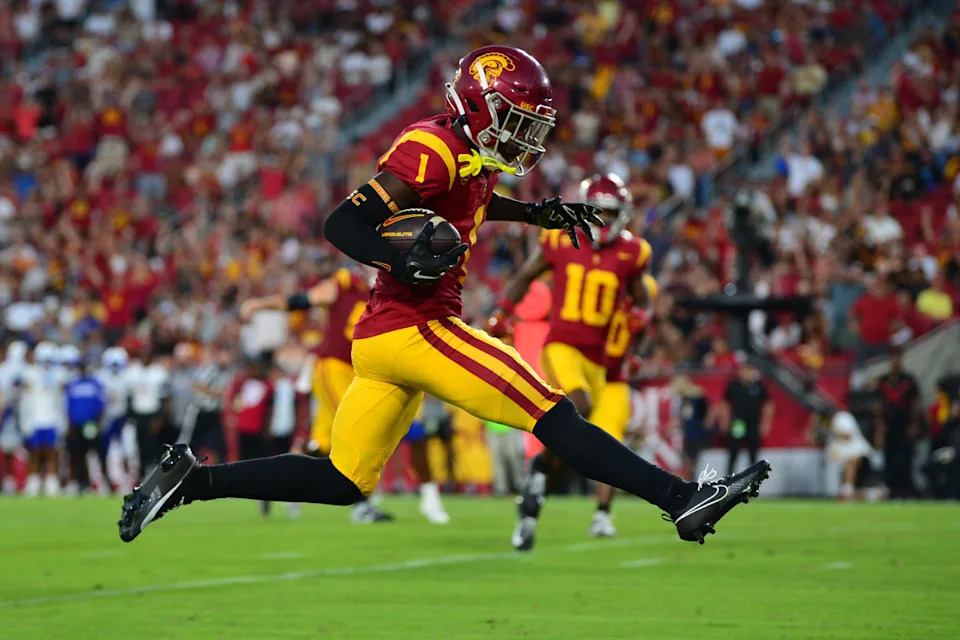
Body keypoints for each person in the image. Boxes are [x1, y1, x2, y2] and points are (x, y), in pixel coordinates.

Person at [118, 45, 770, 547]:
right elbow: (342, 223)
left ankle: (192, 481)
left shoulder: (466, 153)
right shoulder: (430, 148)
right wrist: (397, 256)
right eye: (515, 120)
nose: (523, 137)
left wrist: (532, 215)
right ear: (480, 106)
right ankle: (682, 497)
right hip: (420, 327)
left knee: (345, 480)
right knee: (553, 413)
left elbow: (471, 194)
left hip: (383, 339)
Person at [493, 173, 654, 550]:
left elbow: (642, 304)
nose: (604, 221)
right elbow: (525, 275)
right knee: (576, 407)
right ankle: (546, 481)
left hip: (603, 364)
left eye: (611, 214)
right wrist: (502, 312)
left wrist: (638, 344)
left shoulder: (633, 254)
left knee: (597, 444)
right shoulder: (559, 238)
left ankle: (539, 482)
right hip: (563, 346)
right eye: (597, 213)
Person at [240, 266, 394, 523]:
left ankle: (268, 482)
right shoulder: (345, 283)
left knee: (321, 446)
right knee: (360, 430)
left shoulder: (387, 290)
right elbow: (301, 300)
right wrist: (261, 305)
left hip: (357, 371)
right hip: (333, 366)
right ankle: (362, 507)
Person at [21, 342, 68, 497]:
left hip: (52, 419)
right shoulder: (30, 373)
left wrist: (62, 421)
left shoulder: (59, 374)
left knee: (52, 453)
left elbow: (61, 401)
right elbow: (26, 400)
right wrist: (25, 421)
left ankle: (51, 483)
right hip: (35, 419)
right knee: (34, 453)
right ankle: (33, 483)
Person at [874, 345, 920, 498]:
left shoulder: (908, 380)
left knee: (905, 458)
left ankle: (905, 489)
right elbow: (879, 407)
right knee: (889, 458)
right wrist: (880, 429)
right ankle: (890, 489)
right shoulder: (883, 381)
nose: (895, 361)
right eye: (892, 357)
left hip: (904, 424)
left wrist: (914, 424)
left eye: (897, 357)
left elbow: (914, 404)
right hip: (889, 426)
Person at [63, 347, 108, 495]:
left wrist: (98, 422)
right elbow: (68, 406)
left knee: (97, 453)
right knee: (78, 455)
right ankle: (83, 483)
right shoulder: (73, 384)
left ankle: (102, 482)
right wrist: (69, 424)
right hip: (76, 424)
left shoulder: (95, 383)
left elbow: (101, 405)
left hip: (91, 424)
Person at [720, 362, 774, 476]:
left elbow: (769, 404)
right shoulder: (734, 385)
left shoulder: (759, 386)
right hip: (738, 423)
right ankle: (728, 479)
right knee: (734, 449)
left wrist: (765, 423)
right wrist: (724, 420)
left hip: (753, 423)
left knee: (753, 451)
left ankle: (752, 478)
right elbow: (724, 403)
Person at [95, 347, 134, 493]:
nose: (115, 368)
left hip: (123, 417)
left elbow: (131, 398)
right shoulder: (101, 377)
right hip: (106, 418)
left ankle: (128, 479)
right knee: (104, 451)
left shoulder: (128, 376)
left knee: (127, 450)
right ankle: (105, 480)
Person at [0, 341, 28, 494]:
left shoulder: (6, 370)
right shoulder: (6, 371)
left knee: (14, 449)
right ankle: (12, 481)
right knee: (9, 449)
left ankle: (15, 480)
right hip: (11, 413)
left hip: (21, 412)